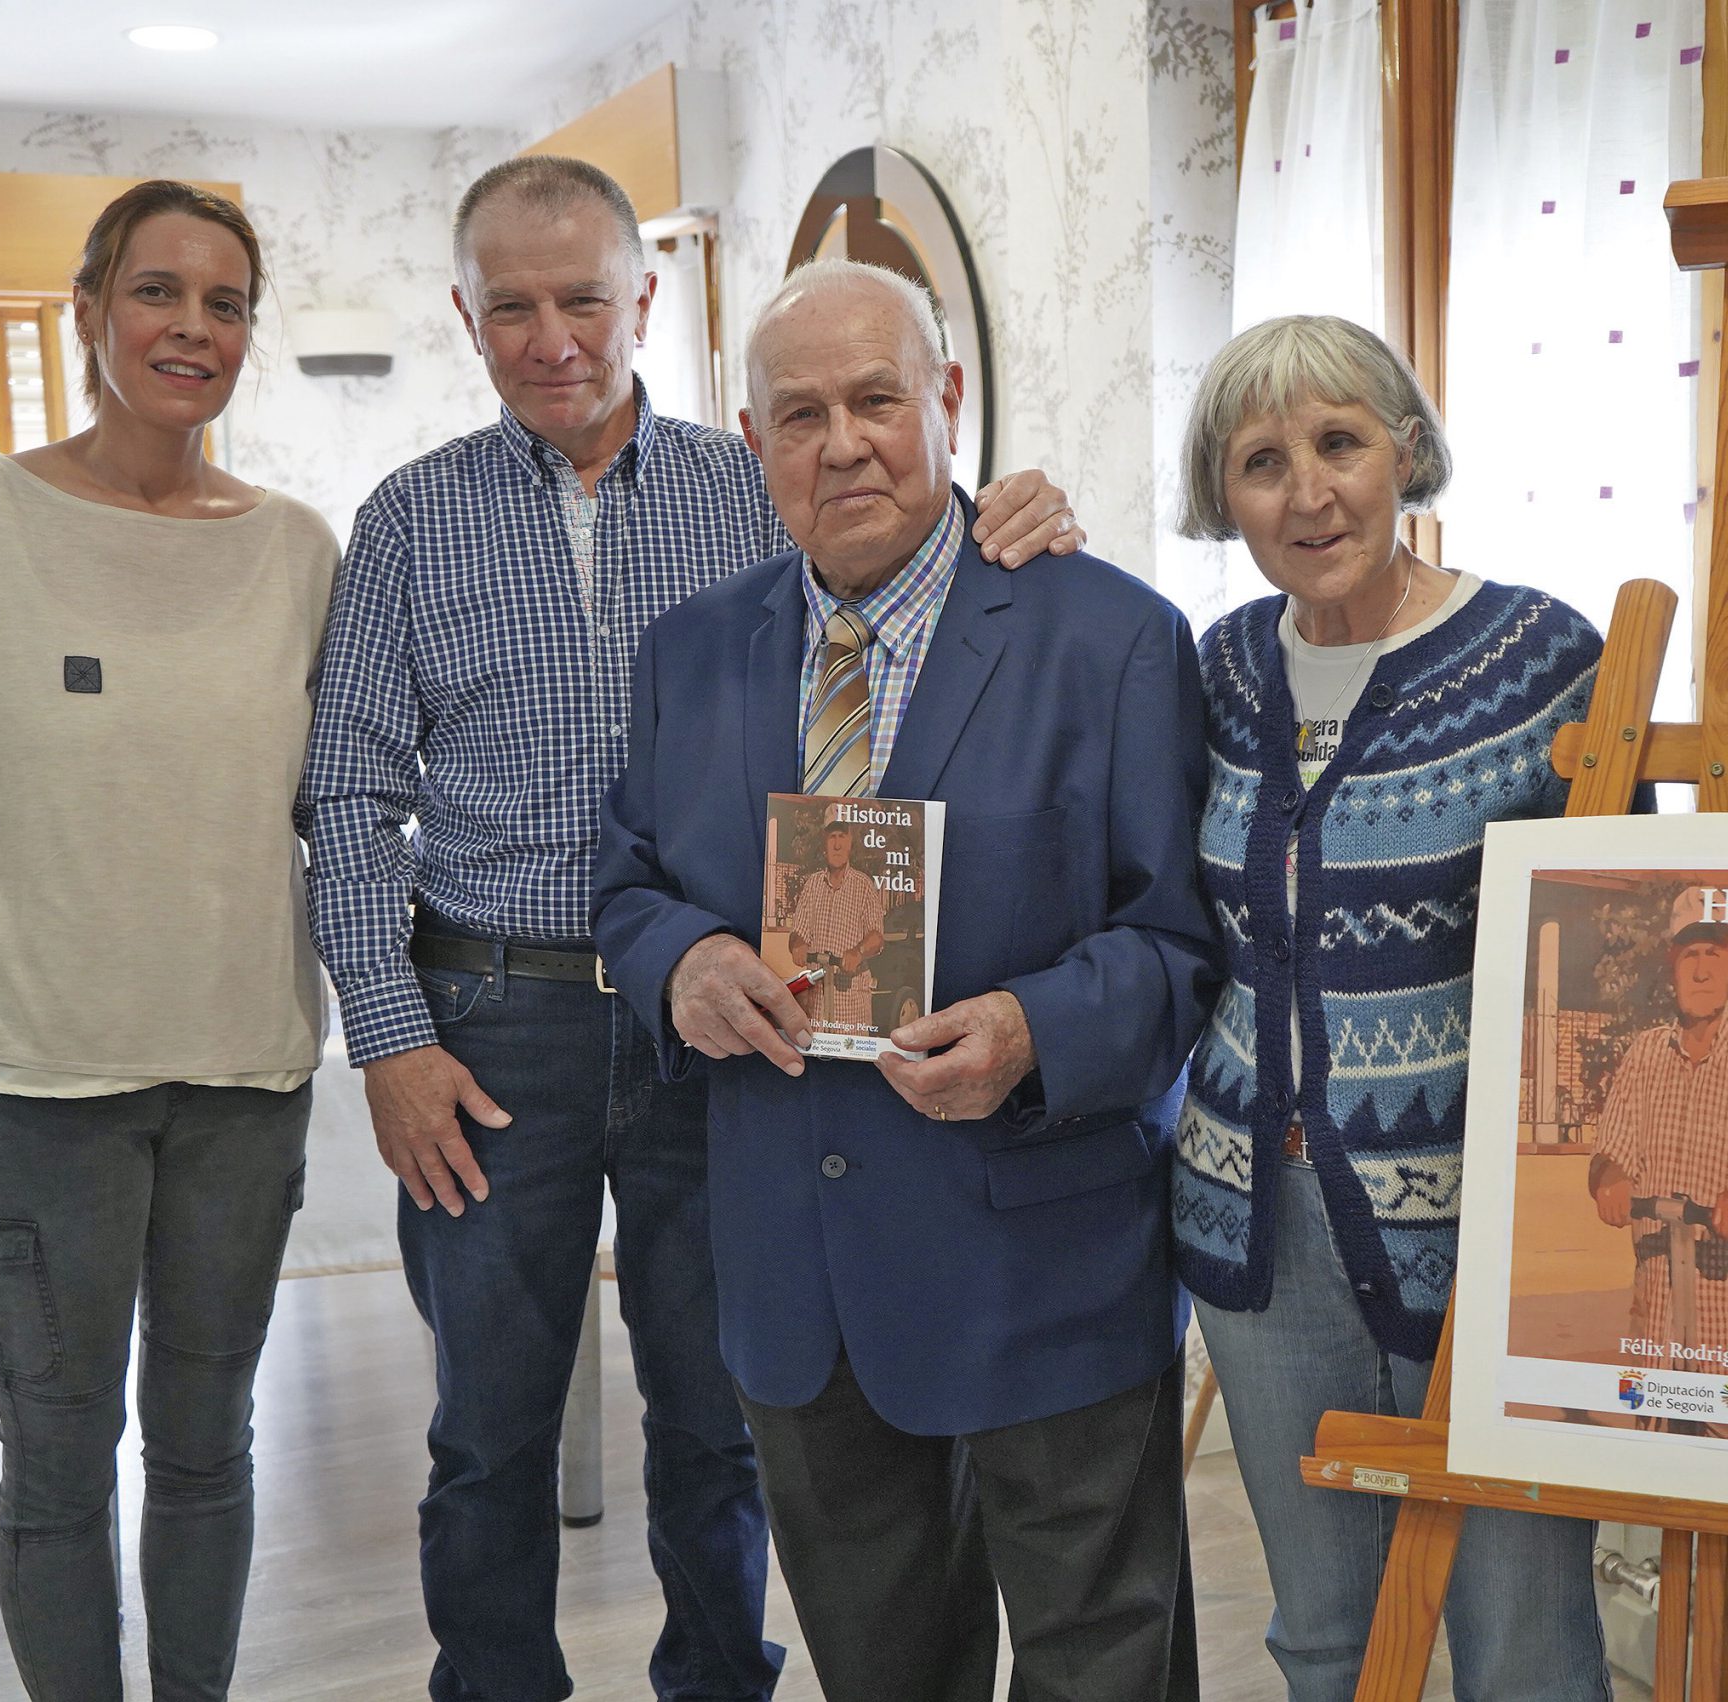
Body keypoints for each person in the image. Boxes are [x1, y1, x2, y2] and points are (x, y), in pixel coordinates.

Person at [297, 157, 1085, 1702]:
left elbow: (919, 596)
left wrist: (1021, 509)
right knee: (489, 1429)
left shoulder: (764, 485)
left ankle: (720, 1681)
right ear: (465, 313)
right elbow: (348, 802)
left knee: (724, 1415)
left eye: (584, 299)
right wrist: (388, 1040)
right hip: (491, 1029)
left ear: (645, 299)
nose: (552, 339)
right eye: (511, 307)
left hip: (729, 1019)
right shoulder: (407, 523)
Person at [592, 257, 1220, 1702]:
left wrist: (1033, 1026)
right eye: (800, 414)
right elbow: (627, 886)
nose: (844, 444)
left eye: (877, 399)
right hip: (800, 1285)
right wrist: (681, 961)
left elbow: (1180, 944)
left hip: (1045, 1262)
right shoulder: (691, 653)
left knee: (1103, 1672)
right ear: (752, 441)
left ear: (947, 398)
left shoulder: (1112, 639)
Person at [0, 181, 337, 1700]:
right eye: (157, 291)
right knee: (58, 1460)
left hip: (242, 1085)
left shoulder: (297, 550)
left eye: (226, 302)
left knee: (209, 1447)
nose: (193, 327)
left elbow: (330, 800)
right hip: (31, 1092)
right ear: (91, 311)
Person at [1167, 314, 1615, 1702]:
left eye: (1340, 444)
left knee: (1522, 1638)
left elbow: (1619, 962)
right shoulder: (1218, 672)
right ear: (1222, 493)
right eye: (1262, 462)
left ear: (1406, 453)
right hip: (1250, 1218)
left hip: (1490, 1232)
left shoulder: (1541, 659)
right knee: (1326, 1636)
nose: (1308, 493)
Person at [1588, 886, 1728, 1396]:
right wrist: (1610, 1180)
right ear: (1671, 962)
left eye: (1713, 954)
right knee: (1649, 1436)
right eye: (1690, 954)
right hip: (1657, 1314)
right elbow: (1608, 1154)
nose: (1701, 971)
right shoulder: (1644, 1054)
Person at [784, 816, 886, 1026]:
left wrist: (858, 952)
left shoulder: (863, 885)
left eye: (842, 837)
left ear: (850, 844)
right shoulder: (812, 884)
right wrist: (798, 945)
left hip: (851, 1000)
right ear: (824, 844)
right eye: (832, 837)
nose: (837, 845)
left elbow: (876, 937)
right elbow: (797, 933)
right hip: (817, 999)